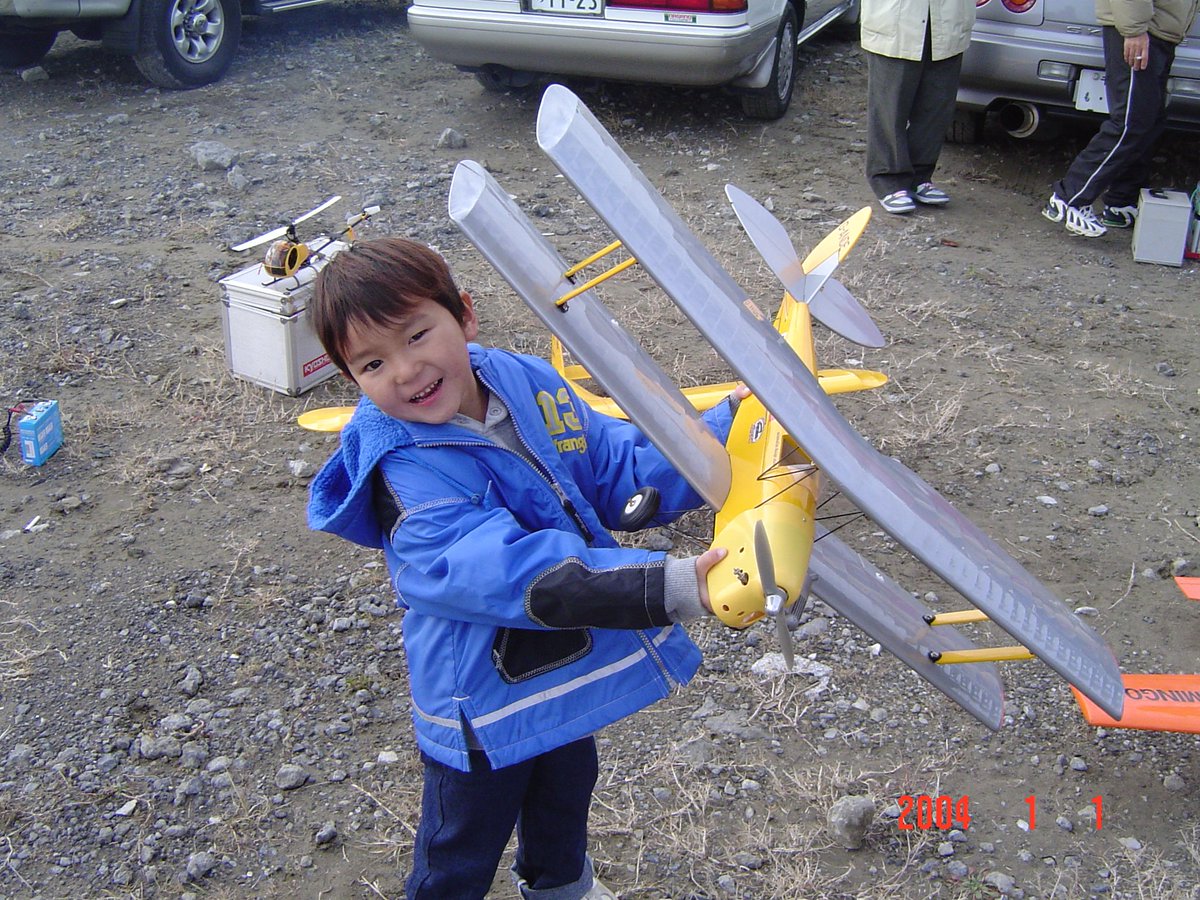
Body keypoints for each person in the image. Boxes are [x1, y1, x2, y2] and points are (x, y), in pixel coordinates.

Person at [306, 237, 741, 900]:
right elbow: (513, 573)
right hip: (480, 696)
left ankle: (561, 886)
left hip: (560, 658)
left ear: (465, 315)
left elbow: (611, 466)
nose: (406, 370)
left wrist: (726, 430)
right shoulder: (403, 472)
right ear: (352, 379)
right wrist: (671, 584)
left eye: (417, 335)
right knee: (462, 840)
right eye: (372, 363)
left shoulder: (523, 381)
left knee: (567, 788)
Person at [1043, 0, 1199, 237]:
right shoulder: (1137, 30)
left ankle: (1121, 202)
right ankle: (1069, 197)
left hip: (1159, 32)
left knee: (1149, 121)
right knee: (1130, 124)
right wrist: (1134, 31)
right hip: (1141, 31)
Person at [861, 0, 977, 214]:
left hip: (949, 17)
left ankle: (920, 177)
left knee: (936, 106)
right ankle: (889, 181)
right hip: (895, 18)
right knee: (890, 107)